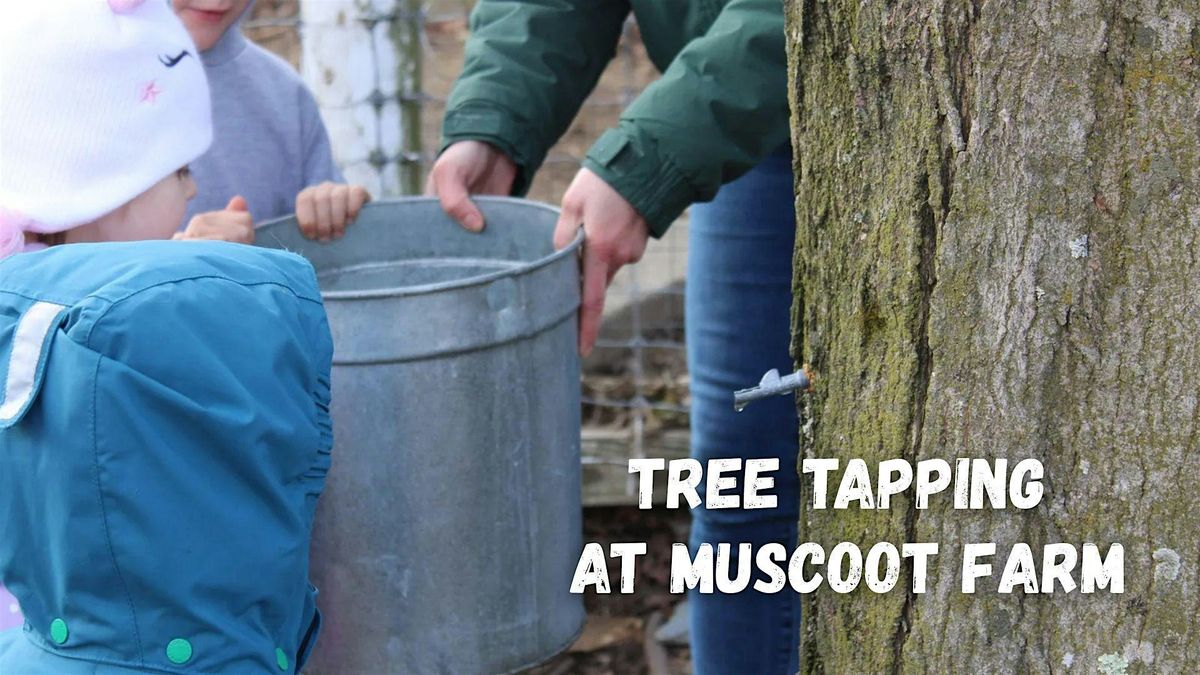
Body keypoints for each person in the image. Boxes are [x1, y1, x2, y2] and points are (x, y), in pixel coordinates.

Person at [426, 2, 800, 672]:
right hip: (752, 134)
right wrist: (496, 116)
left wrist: (645, 162)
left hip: (894, 102)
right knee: (740, 488)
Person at [0, 5, 332, 672]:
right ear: (106, 185)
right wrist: (201, 278)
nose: (194, 186)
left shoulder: (23, 298)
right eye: (178, 168)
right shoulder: (148, 316)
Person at [172, 0, 372, 242]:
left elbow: (337, 254)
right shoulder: (123, 82)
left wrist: (336, 209)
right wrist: (181, 259)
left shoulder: (284, 92)